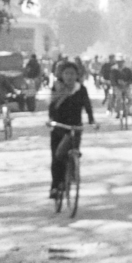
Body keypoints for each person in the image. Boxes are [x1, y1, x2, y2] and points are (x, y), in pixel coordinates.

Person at [47, 61, 95, 201]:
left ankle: (72, 172)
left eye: (72, 73)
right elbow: (52, 106)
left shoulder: (81, 89)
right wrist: (50, 120)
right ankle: (56, 186)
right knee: (57, 157)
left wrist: (91, 119)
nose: (69, 76)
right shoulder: (56, 88)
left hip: (75, 127)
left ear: (77, 75)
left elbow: (87, 105)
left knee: (72, 151)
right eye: (66, 73)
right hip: (59, 127)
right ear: (61, 75)